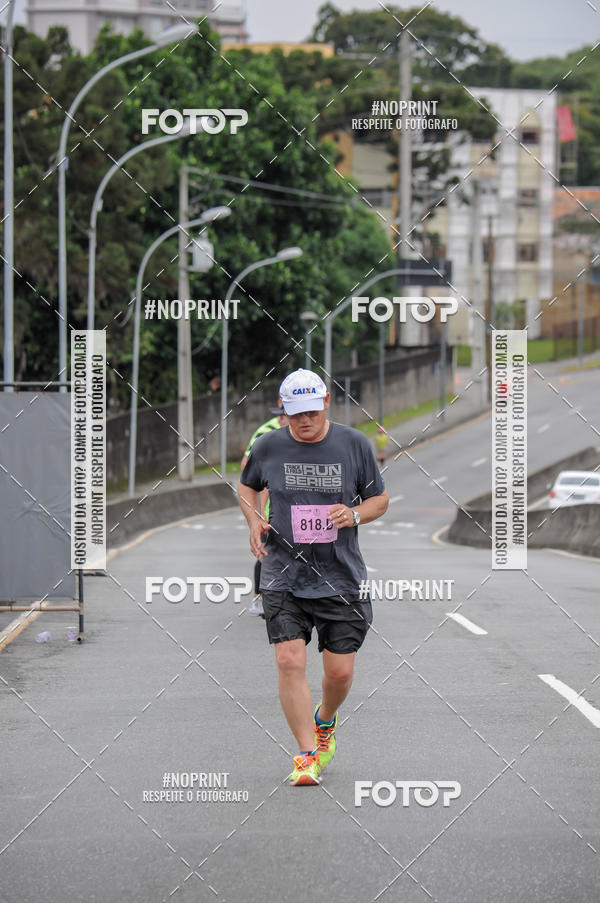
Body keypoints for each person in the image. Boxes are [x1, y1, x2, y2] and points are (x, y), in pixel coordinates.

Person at [238, 368, 388, 785]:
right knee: (289, 660)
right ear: (283, 410)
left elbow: (379, 500)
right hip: (283, 572)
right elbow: (247, 486)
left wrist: (353, 514)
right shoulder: (268, 446)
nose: (304, 421)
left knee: (339, 673)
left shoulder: (353, 444)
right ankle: (306, 754)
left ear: (325, 403)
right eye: (295, 413)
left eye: (311, 412)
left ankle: (325, 720)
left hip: (340, 575)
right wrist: (254, 520)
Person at [240, 403, 289, 616]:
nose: (281, 420)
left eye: (284, 415)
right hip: (272, 512)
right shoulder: (267, 434)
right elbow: (249, 471)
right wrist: (258, 516)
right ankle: (259, 597)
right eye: (281, 415)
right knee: (266, 554)